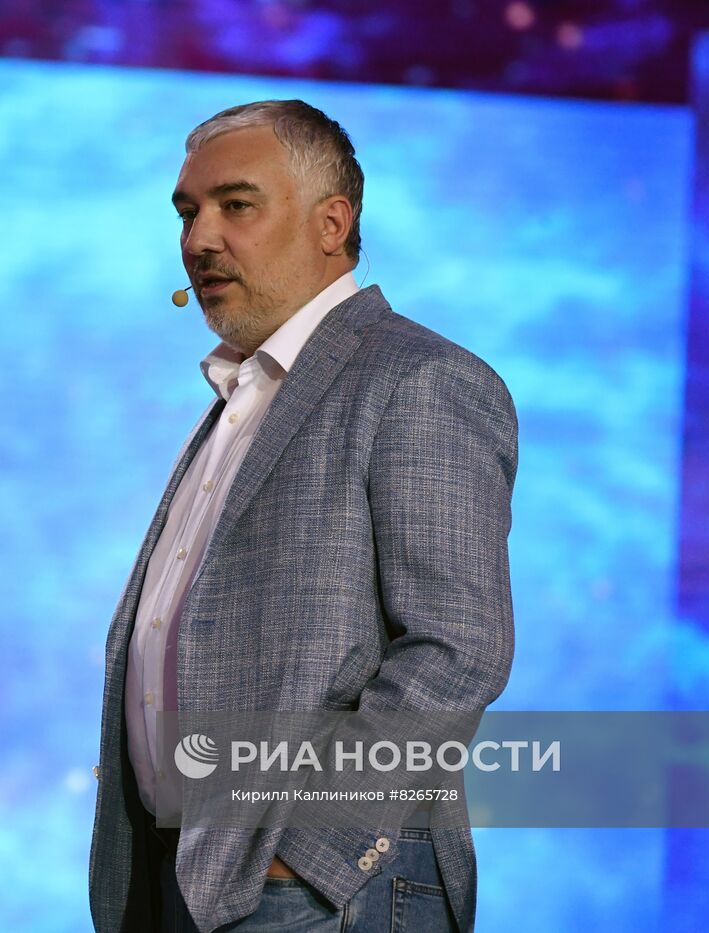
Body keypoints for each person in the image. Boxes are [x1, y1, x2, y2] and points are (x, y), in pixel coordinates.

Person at [88, 99, 518, 933]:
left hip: (317, 894)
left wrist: (310, 854)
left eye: (236, 205)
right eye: (187, 212)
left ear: (332, 223)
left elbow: (458, 648)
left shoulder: (419, 378)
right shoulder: (244, 396)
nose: (200, 238)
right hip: (193, 877)